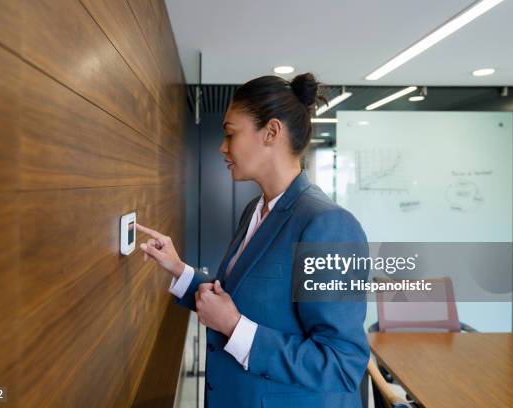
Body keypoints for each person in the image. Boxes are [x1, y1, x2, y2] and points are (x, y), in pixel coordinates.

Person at [137, 73, 369, 407]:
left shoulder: (328, 225)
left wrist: (235, 327)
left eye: (230, 134)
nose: (222, 146)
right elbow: (236, 299)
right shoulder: (255, 210)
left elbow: (341, 366)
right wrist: (178, 269)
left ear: (271, 132)